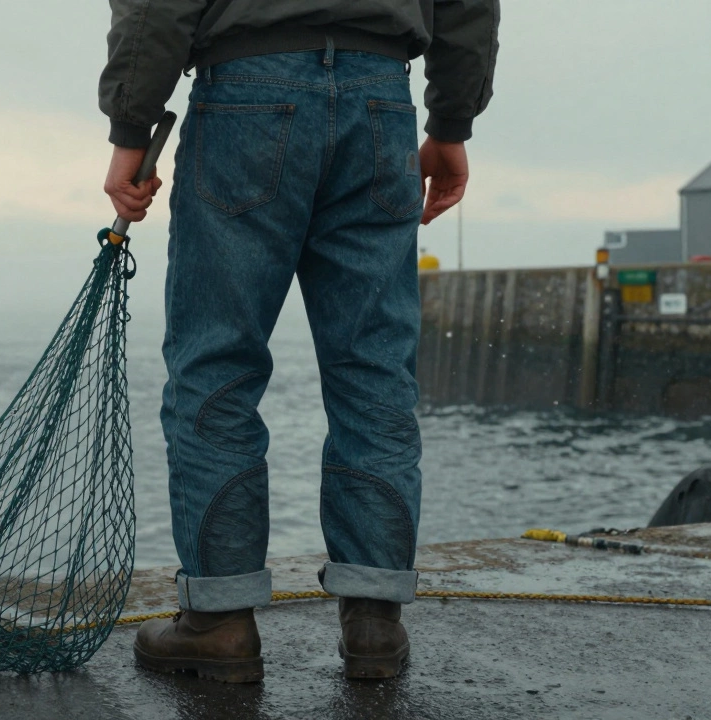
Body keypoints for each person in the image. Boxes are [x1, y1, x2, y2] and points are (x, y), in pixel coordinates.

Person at [99, 1, 499, 682]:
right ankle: (374, 619)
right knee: (375, 370)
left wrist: (132, 126)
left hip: (244, 98)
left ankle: (220, 622)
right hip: (382, 98)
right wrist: (452, 120)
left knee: (217, 366)